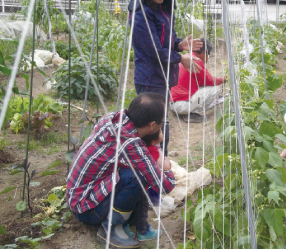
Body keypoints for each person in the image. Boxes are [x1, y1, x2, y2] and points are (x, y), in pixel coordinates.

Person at [66, 93, 175, 249]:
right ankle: (110, 229)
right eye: (162, 122)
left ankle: (123, 218)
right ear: (152, 125)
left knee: (135, 171)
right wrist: (167, 168)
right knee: (139, 176)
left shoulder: (114, 118)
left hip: (76, 196)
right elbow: (165, 186)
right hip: (86, 210)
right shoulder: (131, 143)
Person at [129, 0, 203, 156]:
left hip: (161, 77)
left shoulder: (162, 9)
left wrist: (179, 44)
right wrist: (180, 58)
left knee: (162, 129)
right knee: (152, 131)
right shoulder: (140, 16)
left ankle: (160, 166)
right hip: (149, 79)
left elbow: (165, 42)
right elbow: (154, 49)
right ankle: (152, 168)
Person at [170, 38, 226, 123]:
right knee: (215, 89)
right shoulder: (196, 60)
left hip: (173, 103)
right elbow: (210, 81)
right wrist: (223, 79)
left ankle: (188, 111)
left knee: (204, 88)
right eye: (208, 54)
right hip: (181, 105)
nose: (208, 58)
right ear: (203, 52)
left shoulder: (187, 57)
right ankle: (192, 114)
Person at [141, 129, 165, 206]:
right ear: (153, 142)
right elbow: (157, 165)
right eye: (161, 132)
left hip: (141, 178)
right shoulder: (153, 150)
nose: (162, 133)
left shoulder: (142, 148)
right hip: (151, 178)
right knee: (154, 189)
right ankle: (155, 202)